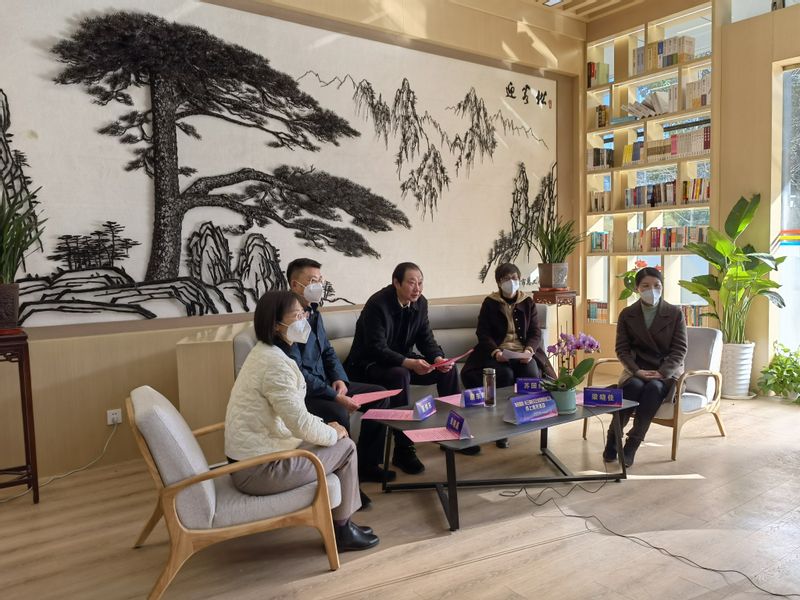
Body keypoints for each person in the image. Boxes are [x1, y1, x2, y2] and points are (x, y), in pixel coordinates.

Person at [225, 291, 379, 551]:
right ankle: (343, 530)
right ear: (276, 325)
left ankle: (342, 523)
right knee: (346, 447)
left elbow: (294, 416)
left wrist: (328, 428)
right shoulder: (276, 364)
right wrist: (334, 433)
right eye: (297, 316)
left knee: (334, 436)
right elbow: (299, 423)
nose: (304, 320)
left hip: (256, 456)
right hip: (258, 471)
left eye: (304, 314)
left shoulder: (266, 353)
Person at [283, 258, 396, 489]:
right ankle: (348, 482)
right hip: (307, 392)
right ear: (295, 285)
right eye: (312, 281)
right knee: (339, 413)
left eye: (320, 280)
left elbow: (327, 351)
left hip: (328, 383)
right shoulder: (288, 319)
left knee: (381, 397)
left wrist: (340, 379)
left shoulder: (314, 312)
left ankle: (367, 465)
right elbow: (297, 371)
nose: (318, 286)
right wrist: (334, 395)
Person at [345, 262, 461, 474]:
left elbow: (426, 338)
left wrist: (437, 358)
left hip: (403, 361)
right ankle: (404, 449)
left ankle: (453, 432)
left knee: (447, 370)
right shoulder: (377, 304)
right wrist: (408, 363)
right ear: (396, 283)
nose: (417, 288)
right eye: (411, 282)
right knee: (399, 375)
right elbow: (376, 347)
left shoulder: (420, 303)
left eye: (420, 283)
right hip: (368, 364)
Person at [460, 262, 556, 448]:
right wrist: (496, 352)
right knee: (504, 375)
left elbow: (535, 332)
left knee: (531, 373)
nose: (511, 282)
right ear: (498, 282)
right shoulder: (490, 303)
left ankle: (527, 417)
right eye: (506, 279)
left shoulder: (527, 302)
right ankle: (501, 429)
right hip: (498, 352)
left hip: (523, 352)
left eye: (515, 278)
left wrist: (529, 350)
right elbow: (483, 333)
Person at [607, 267, 688, 467]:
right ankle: (613, 437)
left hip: (666, 371)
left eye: (657, 285)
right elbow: (622, 349)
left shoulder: (675, 313)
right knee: (633, 386)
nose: (652, 290)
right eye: (645, 286)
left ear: (662, 287)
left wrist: (662, 372)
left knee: (654, 388)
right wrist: (636, 370)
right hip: (637, 369)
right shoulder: (627, 314)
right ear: (637, 288)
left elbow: (680, 349)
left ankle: (632, 444)